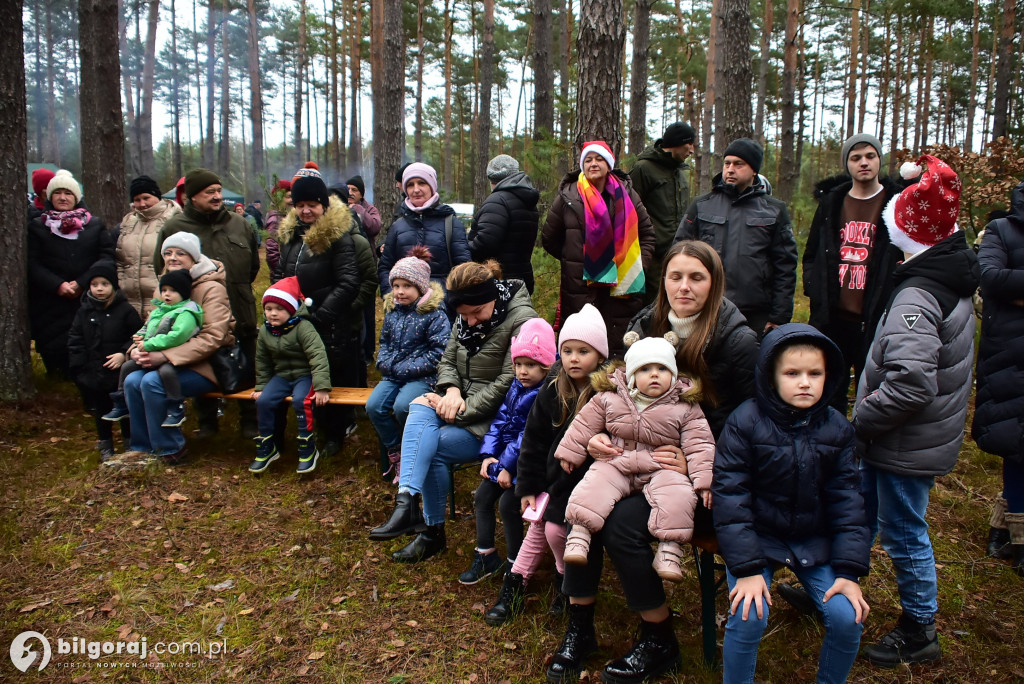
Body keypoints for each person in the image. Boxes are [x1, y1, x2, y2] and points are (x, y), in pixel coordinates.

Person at [546, 240, 758, 683]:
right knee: (574, 495)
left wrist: (689, 456)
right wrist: (601, 436)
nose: (684, 286)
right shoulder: (646, 322)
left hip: (694, 474)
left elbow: (746, 421)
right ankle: (580, 624)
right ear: (662, 281)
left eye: (696, 277)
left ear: (714, 284)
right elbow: (616, 391)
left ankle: (660, 637)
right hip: (628, 456)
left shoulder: (736, 339)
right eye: (675, 276)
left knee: (621, 524)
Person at [853, 156, 979, 667]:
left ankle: (919, 626)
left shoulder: (920, 294)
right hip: (908, 436)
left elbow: (910, 384)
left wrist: (860, 420)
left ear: (906, 231)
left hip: (903, 441)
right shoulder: (944, 276)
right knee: (861, 512)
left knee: (903, 529)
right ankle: (840, 588)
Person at [713, 323, 871, 684]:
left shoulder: (838, 429)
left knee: (848, 617)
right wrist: (749, 567)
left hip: (813, 541)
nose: (805, 382)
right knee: (749, 613)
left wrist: (848, 571)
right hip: (759, 540)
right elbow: (731, 498)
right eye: (792, 373)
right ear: (771, 377)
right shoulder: (744, 422)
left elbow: (848, 502)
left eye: (815, 373)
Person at [368, 260, 537, 563]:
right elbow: (446, 360)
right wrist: (452, 391)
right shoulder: (464, 315)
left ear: (493, 298)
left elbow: (511, 381)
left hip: (498, 419)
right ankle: (406, 501)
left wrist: (461, 410)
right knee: (420, 404)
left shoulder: (522, 320)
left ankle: (430, 532)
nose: (469, 322)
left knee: (432, 448)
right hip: (460, 402)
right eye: (463, 315)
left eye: (476, 314)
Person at [485, 304, 609, 627]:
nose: (574, 358)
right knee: (539, 525)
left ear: (600, 355)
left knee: (551, 528)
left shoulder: (607, 394)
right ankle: (515, 588)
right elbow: (534, 440)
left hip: (586, 485)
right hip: (552, 482)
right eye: (567, 350)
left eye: (584, 351)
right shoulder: (554, 386)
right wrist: (527, 486)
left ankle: (563, 584)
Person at [556, 335, 715, 582]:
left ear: (673, 374)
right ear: (630, 376)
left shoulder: (685, 407)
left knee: (679, 495)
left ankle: (670, 550)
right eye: (645, 369)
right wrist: (570, 452)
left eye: (662, 368)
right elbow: (585, 424)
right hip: (618, 458)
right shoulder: (611, 398)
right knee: (594, 484)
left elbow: (700, 444)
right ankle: (579, 535)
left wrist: (703, 480)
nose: (654, 374)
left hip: (661, 465)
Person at [274, 162, 375, 456]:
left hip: (328, 322)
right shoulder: (292, 237)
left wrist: (322, 315)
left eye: (313, 204)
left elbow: (349, 281)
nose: (306, 211)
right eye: (301, 204)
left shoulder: (338, 236)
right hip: (297, 318)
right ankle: (312, 429)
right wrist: (283, 304)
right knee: (305, 374)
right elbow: (282, 274)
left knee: (329, 377)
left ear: (323, 204)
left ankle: (335, 434)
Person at [153, 168, 260, 439]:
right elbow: (162, 268)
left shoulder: (239, 224)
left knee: (245, 366)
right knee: (201, 363)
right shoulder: (174, 228)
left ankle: (249, 420)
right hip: (193, 314)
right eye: (209, 192)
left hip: (239, 308)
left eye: (218, 191)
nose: (217, 197)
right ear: (192, 197)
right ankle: (207, 420)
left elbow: (253, 269)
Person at [113, 233, 235, 466]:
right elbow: (151, 326)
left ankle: (170, 449)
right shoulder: (166, 286)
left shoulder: (211, 288)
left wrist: (165, 355)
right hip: (162, 362)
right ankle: (141, 448)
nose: (173, 258)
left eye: (180, 253)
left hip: (205, 366)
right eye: (168, 253)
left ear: (194, 257)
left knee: (151, 383)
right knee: (131, 381)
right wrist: (136, 349)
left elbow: (213, 337)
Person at [803, 133, 903, 411]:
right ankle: (832, 445)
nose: (863, 163)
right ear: (847, 163)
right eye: (855, 157)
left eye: (870, 156)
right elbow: (811, 252)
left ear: (879, 160)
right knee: (829, 388)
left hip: (877, 317)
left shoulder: (896, 202)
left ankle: (863, 447)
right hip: (833, 318)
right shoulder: (832, 202)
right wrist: (814, 286)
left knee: (871, 390)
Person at [459, 317, 555, 586]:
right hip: (502, 461)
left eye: (531, 365)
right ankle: (486, 554)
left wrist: (507, 466)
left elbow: (529, 436)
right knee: (481, 498)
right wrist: (488, 455)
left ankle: (516, 563)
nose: (523, 371)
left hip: (526, 467)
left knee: (508, 505)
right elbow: (500, 421)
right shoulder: (516, 386)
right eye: (519, 364)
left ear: (546, 367)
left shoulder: (544, 394)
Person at [674, 137, 797, 337]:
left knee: (749, 366)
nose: (730, 169)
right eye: (727, 163)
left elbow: (785, 266)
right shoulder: (701, 205)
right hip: (706, 308)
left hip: (755, 313)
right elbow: (678, 253)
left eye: (739, 164)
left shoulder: (774, 210)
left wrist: (779, 316)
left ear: (754, 170)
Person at [543, 140, 656, 357]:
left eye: (599, 159)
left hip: (622, 288)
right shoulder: (568, 196)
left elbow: (648, 235)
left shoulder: (628, 195)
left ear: (609, 164)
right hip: (580, 287)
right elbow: (549, 238)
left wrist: (637, 266)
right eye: (588, 160)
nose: (593, 164)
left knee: (618, 350)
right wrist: (578, 260)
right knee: (582, 348)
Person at [973, 178, 1024, 576]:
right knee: (1014, 442)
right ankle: (1013, 531)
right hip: (1009, 353)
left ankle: (1009, 528)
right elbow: (990, 277)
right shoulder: (1002, 229)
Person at [367, 247, 451, 482]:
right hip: (393, 374)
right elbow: (384, 341)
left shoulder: (434, 314)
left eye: (407, 286)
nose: (400, 292)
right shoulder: (393, 311)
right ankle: (397, 451)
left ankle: (416, 449)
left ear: (421, 287)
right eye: (396, 286)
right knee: (374, 406)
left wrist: (407, 367)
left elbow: (439, 353)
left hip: (423, 377)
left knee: (403, 405)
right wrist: (383, 360)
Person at [27, 169, 115, 377]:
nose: (63, 197)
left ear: (76, 196)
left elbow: (106, 257)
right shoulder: (38, 226)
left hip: (87, 295)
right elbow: (32, 263)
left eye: (68, 193)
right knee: (53, 344)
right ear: (49, 196)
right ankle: (56, 377)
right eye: (57, 193)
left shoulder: (94, 225)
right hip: (50, 298)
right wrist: (57, 285)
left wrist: (82, 282)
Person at [250, 276, 331, 475]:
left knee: (301, 401)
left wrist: (321, 387)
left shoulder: (303, 327)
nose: (273, 314)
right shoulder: (266, 332)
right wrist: (261, 387)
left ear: (292, 309)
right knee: (264, 402)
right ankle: (268, 445)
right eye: (268, 309)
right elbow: (262, 361)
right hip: (282, 376)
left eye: (279, 309)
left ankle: (307, 446)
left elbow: (317, 355)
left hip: (305, 375)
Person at [103, 269, 203, 429]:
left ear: (183, 292)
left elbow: (177, 336)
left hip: (175, 354)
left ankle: (175, 407)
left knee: (166, 372)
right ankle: (121, 403)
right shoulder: (159, 311)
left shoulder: (187, 312)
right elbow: (146, 328)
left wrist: (149, 344)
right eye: (164, 290)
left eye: (173, 290)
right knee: (127, 367)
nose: (167, 294)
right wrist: (138, 339)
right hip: (151, 352)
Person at [67, 263, 143, 461]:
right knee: (101, 409)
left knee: (125, 408)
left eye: (104, 284)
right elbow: (75, 340)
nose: (99, 288)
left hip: (120, 373)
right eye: (94, 284)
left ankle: (130, 443)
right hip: (94, 372)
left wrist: (122, 354)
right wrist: (80, 369)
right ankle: (105, 445)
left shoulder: (126, 311)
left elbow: (138, 336)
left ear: (114, 287)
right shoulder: (84, 312)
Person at [378, 162, 472, 297]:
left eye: (421, 183)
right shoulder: (398, 226)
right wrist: (391, 297)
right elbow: (385, 267)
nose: (416, 189)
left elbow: (464, 268)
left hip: (443, 308)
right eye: (410, 185)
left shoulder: (451, 223)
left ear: (432, 186)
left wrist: (448, 300)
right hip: (403, 310)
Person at [629, 122, 695, 304]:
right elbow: (629, 211)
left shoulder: (680, 173)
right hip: (652, 258)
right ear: (678, 142)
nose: (692, 151)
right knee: (654, 306)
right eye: (690, 144)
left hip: (678, 254)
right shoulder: (644, 169)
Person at [468, 154, 541, 293]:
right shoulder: (527, 201)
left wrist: (464, 248)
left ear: (492, 179)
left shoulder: (497, 201)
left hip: (499, 281)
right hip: (523, 279)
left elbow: (485, 243)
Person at [116, 175, 182, 319]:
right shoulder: (128, 223)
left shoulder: (173, 221)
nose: (142, 204)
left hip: (163, 301)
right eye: (137, 200)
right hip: (129, 303)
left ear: (157, 196)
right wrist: (121, 285)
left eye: (146, 198)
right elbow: (120, 260)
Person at [265, 179, 292, 280]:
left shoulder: (286, 215)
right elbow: (272, 251)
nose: (292, 200)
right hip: (282, 276)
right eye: (288, 197)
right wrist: (280, 273)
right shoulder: (276, 219)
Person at [346, 174, 382, 245]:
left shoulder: (370, 209)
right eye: (347, 189)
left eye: (354, 190)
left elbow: (374, 228)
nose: (350, 193)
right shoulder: (339, 208)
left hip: (365, 252)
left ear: (361, 195)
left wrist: (357, 208)